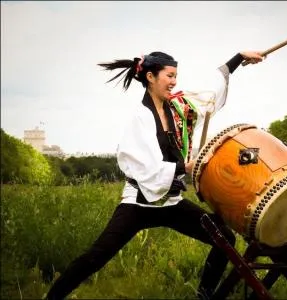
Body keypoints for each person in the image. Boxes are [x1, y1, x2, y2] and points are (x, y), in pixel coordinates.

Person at [45, 50, 264, 300]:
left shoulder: (180, 108)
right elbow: (144, 168)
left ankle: (204, 295)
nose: (174, 81)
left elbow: (210, 93)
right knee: (96, 256)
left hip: (171, 202)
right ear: (151, 76)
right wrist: (184, 168)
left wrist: (238, 59)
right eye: (169, 76)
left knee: (223, 237)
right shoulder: (140, 118)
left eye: (176, 76)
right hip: (139, 203)